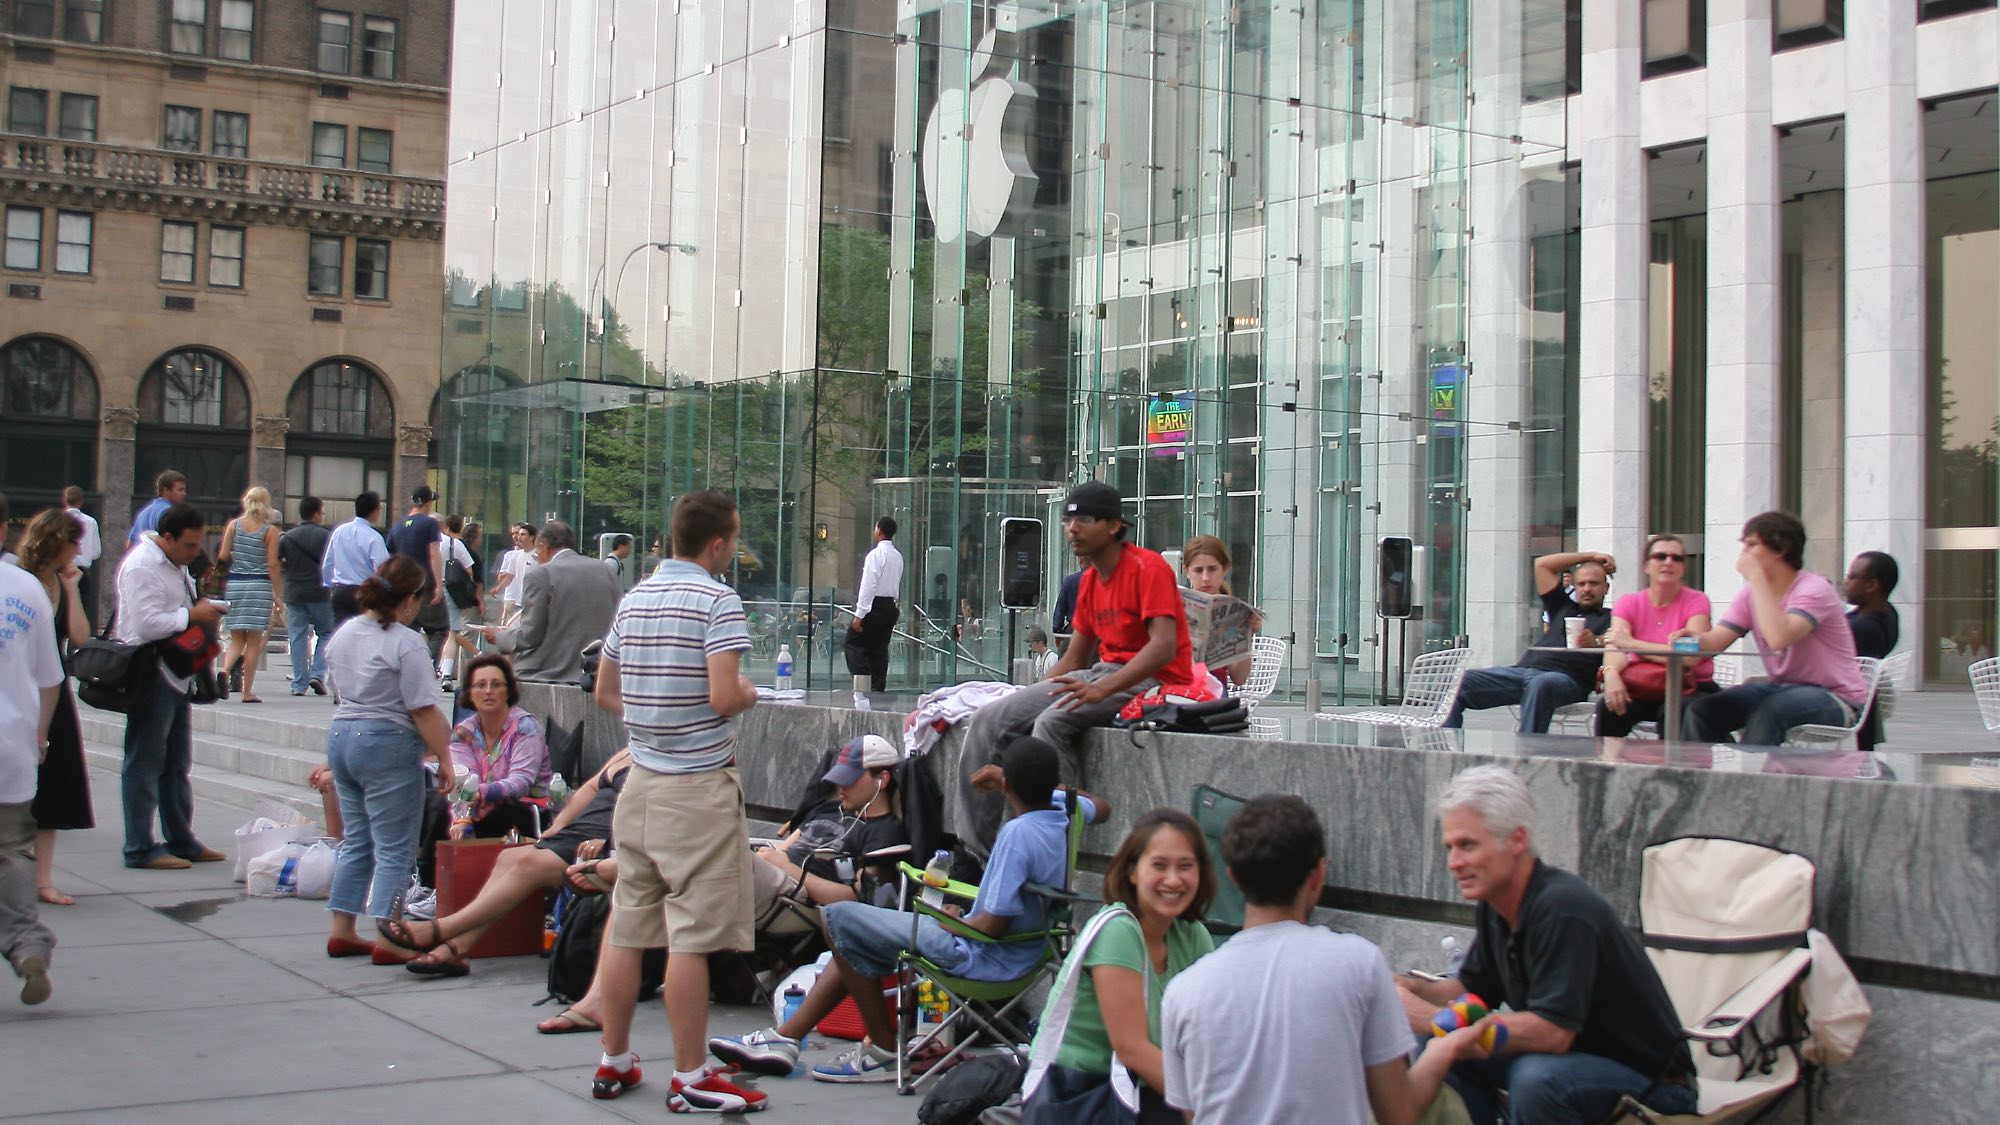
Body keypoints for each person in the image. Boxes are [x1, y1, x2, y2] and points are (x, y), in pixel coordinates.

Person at [711, 737, 1106, 1085]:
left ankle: (880, 1049)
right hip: (1031, 953)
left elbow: (993, 925)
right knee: (856, 929)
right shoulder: (1064, 811)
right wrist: (1040, 783)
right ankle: (787, 1039)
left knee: (839, 919)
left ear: (1007, 784)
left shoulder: (1019, 835)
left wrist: (944, 918)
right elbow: (1099, 806)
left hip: (984, 956)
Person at [588, 490, 767, 1112]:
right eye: (734, 540)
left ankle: (613, 1061)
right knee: (689, 935)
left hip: (639, 786)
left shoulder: (636, 597)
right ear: (718, 544)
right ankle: (690, 1076)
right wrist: (748, 693)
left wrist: (650, 722)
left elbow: (605, 689)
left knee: (630, 923)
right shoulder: (719, 600)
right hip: (696, 789)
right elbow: (723, 695)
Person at [1163, 795, 1490, 1125]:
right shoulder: (1359, 964)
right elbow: (1399, 1114)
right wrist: (1442, 1050)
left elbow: (1196, 1116)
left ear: (1232, 877)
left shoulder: (1181, 993)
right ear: (1318, 874)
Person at [1396, 767, 1696, 1124]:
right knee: (1438, 1051)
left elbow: (1552, 1032)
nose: (1454, 863)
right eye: (1449, 848)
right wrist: (1406, 988)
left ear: (1517, 840)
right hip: (1571, 1063)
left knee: (1537, 1080)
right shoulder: (1497, 905)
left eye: (1467, 845)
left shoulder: (1564, 909)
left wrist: (1434, 1020)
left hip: (1657, 1085)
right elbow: (1472, 992)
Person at [956, 482, 1191, 859]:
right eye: (1068, 520)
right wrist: (1022, 695)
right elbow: (1074, 660)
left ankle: (1053, 856)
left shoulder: (1149, 568)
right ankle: (976, 856)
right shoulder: (1091, 581)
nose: (1072, 528)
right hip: (1100, 672)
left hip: (1152, 680)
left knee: (1050, 722)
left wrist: (1104, 688)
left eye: (1084, 519)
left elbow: (1163, 646)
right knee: (988, 718)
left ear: (1114, 525)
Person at [1024, 809, 1216, 1121]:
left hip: (1144, 1085)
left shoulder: (1193, 936)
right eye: (1159, 865)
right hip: (1083, 1095)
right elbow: (1131, 1047)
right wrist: (1205, 1108)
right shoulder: (1119, 931)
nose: (1173, 879)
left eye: (1185, 866)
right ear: (1132, 872)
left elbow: (1206, 1036)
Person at [380, 749, 634, 981]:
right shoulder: (629, 750)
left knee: (525, 863)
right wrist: (559, 824)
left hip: (606, 842)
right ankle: (456, 948)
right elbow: (590, 788)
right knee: (507, 857)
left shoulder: (664, 759)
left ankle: (441, 930)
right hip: (579, 831)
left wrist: (611, 838)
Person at [321, 556, 457, 959]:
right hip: (386, 738)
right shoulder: (406, 641)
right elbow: (422, 708)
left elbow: (336, 687)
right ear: (410, 600)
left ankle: (342, 927)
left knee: (357, 840)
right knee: (396, 845)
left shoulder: (345, 632)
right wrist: (446, 757)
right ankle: (388, 934)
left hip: (342, 733)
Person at [1681, 512, 1869, 747]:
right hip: (1781, 688)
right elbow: (1717, 640)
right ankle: (1706, 779)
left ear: (1780, 549)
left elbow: (1778, 638)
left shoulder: (1814, 589)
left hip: (1836, 697)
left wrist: (1757, 577)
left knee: (1771, 710)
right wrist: (1692, 640)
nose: (1744, 553)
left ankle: (1754, 781)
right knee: (1703, 710)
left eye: (1751, 545)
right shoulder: (1751, 593)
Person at [114, 501, 228, 870]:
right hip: (150, 671)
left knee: (176, 762)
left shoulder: (176, 565)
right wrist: (191, 615)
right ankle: (139, 846)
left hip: (177, 671)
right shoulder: (142, 565)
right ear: (167, 537)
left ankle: (180, 838)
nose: (196, 554)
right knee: (144, 761)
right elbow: (146, 624)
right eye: (190, 546)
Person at [1444, 552, 1615, 734]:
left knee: (1540, 684)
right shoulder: (1562, 607)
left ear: (1606, 588)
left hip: (1567, 679)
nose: (1587, 589)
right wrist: (1592, 556)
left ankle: (1526, 756)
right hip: (1521, 672)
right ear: (1574, 586)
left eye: (1594, 583)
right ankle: (1444, 749)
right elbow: (1542, 565)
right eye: (1581, 583)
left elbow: (1615, 643)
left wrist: (1595, 643)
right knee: (1458, 682)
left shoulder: (1613, 617)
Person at [17, 510, 94, 907]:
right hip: (16, 688)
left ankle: (42, 879)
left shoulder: (62, 582)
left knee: (52, 788)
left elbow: (79, 635)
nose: (80, 550)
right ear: (56, 541)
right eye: (74, 542)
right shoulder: (18, 581)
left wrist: (73, 588)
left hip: (54, 689)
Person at [0, 557, 62, 1004]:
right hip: (10, 744)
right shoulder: (25, 589)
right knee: (14, 850)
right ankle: (27, 944)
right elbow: (50, 678)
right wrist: (40, 736)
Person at [1596, 536, 1715, 737]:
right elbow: (1615, 645)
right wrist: (1611, 674)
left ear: (1683, 567)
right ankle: (1608, 766)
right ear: (1646, 565)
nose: (1669, 562)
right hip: (1642, 685)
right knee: (1608, 707)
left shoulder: (1697, 601)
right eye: (1660, 556)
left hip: (1690, 686)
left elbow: (1688, 657)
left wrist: (1633, 644)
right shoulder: (1629, 602)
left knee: (1675, 713)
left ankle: (1671, 768)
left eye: (1677, 558)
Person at [478, 520, 620, 683]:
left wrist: (500, 637)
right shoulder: (607, 570)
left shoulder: (541, 574)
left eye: (538, 552)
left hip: (550, 669)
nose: (538, 558)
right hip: (600, 669)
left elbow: (531, 634)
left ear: (544, 546)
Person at [444, 653, 551, 842]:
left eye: (496, 684)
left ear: (508, 691)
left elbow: (521, 781)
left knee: (495, 811)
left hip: (525, 807)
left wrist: (481, 794)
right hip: (479, 806)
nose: (488, 691)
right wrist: (462, 816)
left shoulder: (525, 727)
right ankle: (431, 870)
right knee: (436, 808)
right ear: (469, 692)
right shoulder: (463, 733)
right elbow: (466, 782)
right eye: (480, 685)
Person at [216, 486, 281, 703]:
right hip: (259, 587)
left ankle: (224, 671)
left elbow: (224, 555)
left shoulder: (233, 526)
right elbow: (272, 564)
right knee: (253, 642)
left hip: (235, 585)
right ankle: (247, 692)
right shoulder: (270, 531)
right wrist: (278, 595)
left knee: (236, 639)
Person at [1180, 534, 1259, 688]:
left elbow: (1239, 678)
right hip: (1177, 694)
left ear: (1225, 569)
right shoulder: (1174, 604)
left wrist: (1247, 634)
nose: (1205, 578)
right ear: (1186, 571)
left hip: (1213, 700)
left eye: (1212, 569)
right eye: (1198, 570)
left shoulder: (1233, 612)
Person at [278, 496, 334, 697]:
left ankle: (299, 683)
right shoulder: (327, 536)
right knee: (327, 633)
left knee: (298, 636)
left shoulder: (287, 537)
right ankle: (318, 674)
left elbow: (278, 562)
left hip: (294, 592)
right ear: (317, 513)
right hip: (320, 592)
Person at [1844, 551, 1900, 751]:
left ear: (1872, 585)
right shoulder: (1888, 613)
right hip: (1865, 700)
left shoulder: (1863, 628)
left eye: (1852, 576)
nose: (1846, 582)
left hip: (1839, 701)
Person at [844, 516, 905, 692]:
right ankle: (878, 686)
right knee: (879, 648)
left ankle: (864, 681)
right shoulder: (898, 556)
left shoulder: (875, 555)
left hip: (874, 605)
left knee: (853, 643)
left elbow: (868, 585)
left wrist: (859, 614)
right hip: (890, 606)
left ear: (879, 530)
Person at [323, 492, 390, 630]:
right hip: (365, 593)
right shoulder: (374, 538)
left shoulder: (339, 532)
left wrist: (329, 584)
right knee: (364, 635)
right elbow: (383, 570)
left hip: (340, 590)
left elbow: (328, 563)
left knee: (340, 634)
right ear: (374, 511)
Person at [436, 514, 482, 692]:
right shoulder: (453, 543)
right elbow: (469, 570)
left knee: (425, 632)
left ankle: (427, 668)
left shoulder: (425, 542)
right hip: (448, 588)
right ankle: (447, 674)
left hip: (427, 588)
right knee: (451, 633)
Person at [388, 485, 446, 608]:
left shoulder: (398, 526)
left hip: (403, 585)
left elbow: (391, 557)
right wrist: (438, 585)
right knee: (439, 626)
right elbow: (433, 554)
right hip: (424, 585)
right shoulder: (430, 523)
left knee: (408, 624)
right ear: (429, 503)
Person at [61, 486, 99, 621]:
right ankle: (74, 641)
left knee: (60, 611)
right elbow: (96, 553)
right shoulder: (91, 522)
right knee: (80, 611)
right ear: (81, 501)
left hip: (61, 570)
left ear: (64, 500)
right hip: (83, 572)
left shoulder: (59, 520)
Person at [126, 469, 186, 546]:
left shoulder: (143, 513)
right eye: (180, 490)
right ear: (166, 490)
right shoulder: (168, 512)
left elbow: (130, 544)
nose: (184, 493)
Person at [493, 522, 537, 626]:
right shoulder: (515, 556)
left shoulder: (538, 555)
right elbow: (509, 576)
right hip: (518, 600)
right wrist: (499, 588)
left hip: (534, 601)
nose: (519, 537)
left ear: (531, 537)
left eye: (523, 534)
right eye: (518, 534)